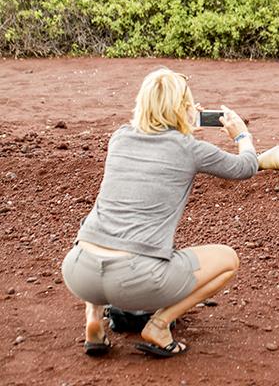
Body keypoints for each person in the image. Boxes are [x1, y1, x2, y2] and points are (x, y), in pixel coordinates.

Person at [61, 67, 258, 357]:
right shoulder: (191, 148)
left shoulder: (120, 137)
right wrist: (242, 135)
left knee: (102, 223)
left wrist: (182, 128)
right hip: (135, 278)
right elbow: (246, 167)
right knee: (228, 259)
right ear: (184, 108)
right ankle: (159, 325)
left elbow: (156, 147)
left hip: (78, 271)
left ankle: (93, 318)